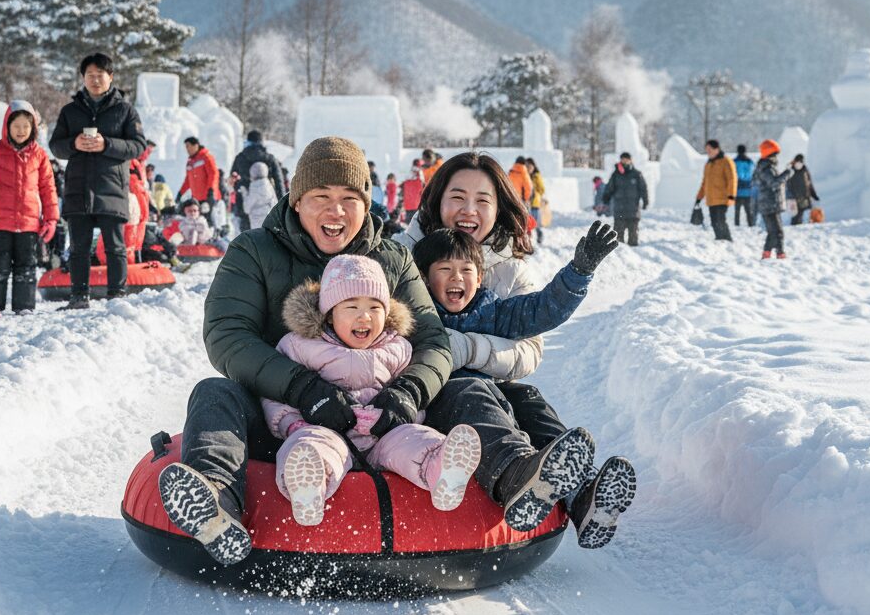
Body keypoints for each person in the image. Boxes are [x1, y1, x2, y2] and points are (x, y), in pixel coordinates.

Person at [156, 137, 589, 564]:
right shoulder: (253, 251)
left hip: (388, 419)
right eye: (320, 196)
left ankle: (516, 478)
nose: (335, 211)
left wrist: (408, 394)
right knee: (214, 393)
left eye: (349, 198)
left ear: (366, 203)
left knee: (466, 388)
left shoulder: (392, 258)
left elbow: (433, 341)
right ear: (296, 199)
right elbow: (228, 336)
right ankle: (214, 503)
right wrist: (302, 388)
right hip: (285, 420)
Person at [394, 151, 636, 549]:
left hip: (491, 381)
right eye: (457, 196)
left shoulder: (493, 297)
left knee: (528, 399)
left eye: (482, 200)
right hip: (431, 392)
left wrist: (578, 273)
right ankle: (516, 474)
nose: (468, 210)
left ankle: (582, 493)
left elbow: (536, 318)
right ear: (437, 200)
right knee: (470, 393)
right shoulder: (402, 260)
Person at [265, 255, 482, 524]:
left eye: (375, 308)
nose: (364, 316)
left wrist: (401, 413)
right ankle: (308, 487)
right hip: (327, 431)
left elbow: (413, 400)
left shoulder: (398, 348)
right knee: (310, 445)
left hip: (384, 436)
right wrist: (292, 424)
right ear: (330, 315)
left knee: (414, 438)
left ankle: (443, 468)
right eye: (351, 306)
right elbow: (277, 392)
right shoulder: (299, 345)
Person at [49, 52, 147, 308]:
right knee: (79, 248)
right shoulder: (70, 111)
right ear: (83, 78)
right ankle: (79, 297)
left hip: (111, 188)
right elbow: (56, 147)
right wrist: (74, 143)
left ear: (110, 77)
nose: (95, 80)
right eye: (89, 75)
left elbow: (138, 146)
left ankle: (117, 296)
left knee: (115, 247)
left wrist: (107, 144)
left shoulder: (125, 111)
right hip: (78, 188)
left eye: (99, 75)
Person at [414, 222, 617, 343]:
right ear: (426, 278)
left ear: (478, 279)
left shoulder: (493, 312)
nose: (457, 277)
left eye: (466, 269)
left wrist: (579, 273)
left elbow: (543, 309)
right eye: (445, 269)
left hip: (483, 399)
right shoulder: (418, 315)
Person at [0, 100, 59, 316]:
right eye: (16, 126)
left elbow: (48, 189)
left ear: (33, 129)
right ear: (7, 126)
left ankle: (24, 305)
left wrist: (51, 219)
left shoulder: (39, 155)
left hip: (29, 224)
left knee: (26, 267)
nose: (21, 131)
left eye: (25, 127)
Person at [230, 130, 285, 230]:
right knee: (267, 233)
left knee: (246, 235)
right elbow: (279, 182)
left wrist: (240, 189)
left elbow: (233, 179)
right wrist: (282, 204)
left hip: (245, 203)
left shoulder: (240, 158)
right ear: (261, 142)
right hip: (266, 203)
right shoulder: (270, 158)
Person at [753, 139, 793, 259]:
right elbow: (774, 183)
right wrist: (787, 173)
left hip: (770, 204)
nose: (777, 158)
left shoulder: (766, 167)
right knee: (778, 232)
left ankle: (767, 255)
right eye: (775, 154)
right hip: (769, 205)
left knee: (772, 232)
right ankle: (780, 254)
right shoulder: (766, 168)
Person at [600, 152, 649, 247]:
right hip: (619, 210)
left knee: (633, 239)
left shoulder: (637, 174)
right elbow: (609, 188)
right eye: (623, 159)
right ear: (621, 160)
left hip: (633, 211)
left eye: (627, 159)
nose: (625, 161)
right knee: (618, 240)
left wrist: (645, 201)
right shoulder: (616, 175)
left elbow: (643, 189)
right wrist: (606, 198)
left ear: (630, 160)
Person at [695, 140, 737, 241]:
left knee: (720, 220)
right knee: (714, 221)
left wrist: (731, 195)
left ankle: (727, 239)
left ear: (716, 149)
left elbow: (732, 179)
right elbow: (704, 182)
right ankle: (719, 239)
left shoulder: (726, 161)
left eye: (710, 149)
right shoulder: (708, 164)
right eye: (707, 150)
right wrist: (699, 197)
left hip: (723, 198)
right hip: (711, 199)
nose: (708, 152)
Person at [177, 137, 220, 206]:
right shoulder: (190, 162)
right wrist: (181, 193)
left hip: (208, 197)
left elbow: (213, 174)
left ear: (196, 145)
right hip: (196, 199)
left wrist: (211, 191)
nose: (187, 150)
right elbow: (188, 181)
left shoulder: (206, 157)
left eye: (188, 146)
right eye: (186, 147)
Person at [240, 161, 279, 229]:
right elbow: (275, 204)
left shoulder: (254, 189)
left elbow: (246, 208)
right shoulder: (269, 187)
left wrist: (244, 193)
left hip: (256, 224)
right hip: (269, 222)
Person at [788, 154, 820, 225]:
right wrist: (790, 197)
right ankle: (794, 228)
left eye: (801, 162)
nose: (799, 164)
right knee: (796, 216)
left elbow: (809, 184)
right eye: (798, 162)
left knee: (806, 214)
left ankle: (803, 228)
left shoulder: (805, 170)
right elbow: (787, 186)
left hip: (805, 197)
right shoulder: (790, 170)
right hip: (794, 199)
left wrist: (814, 195)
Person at [525, 158, 546, 245]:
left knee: (535, 221)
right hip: (526, 202)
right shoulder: (524, 176)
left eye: (530, 166)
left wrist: (536, 194)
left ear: (533, 167)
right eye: (527, 166)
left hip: (535, 203)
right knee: (527, 222)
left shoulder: (537, 176)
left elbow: (542, 189)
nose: (529, 168)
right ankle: (528, 239)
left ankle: (539, 235)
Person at [733, 145, 756, 226]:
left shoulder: (734, 162)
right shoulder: (750, 162)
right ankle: (751, 225)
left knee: (737, 212)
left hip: (737, 191)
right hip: (748, 191)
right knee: (749, 211)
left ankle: (737, 226)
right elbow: (754, 174)